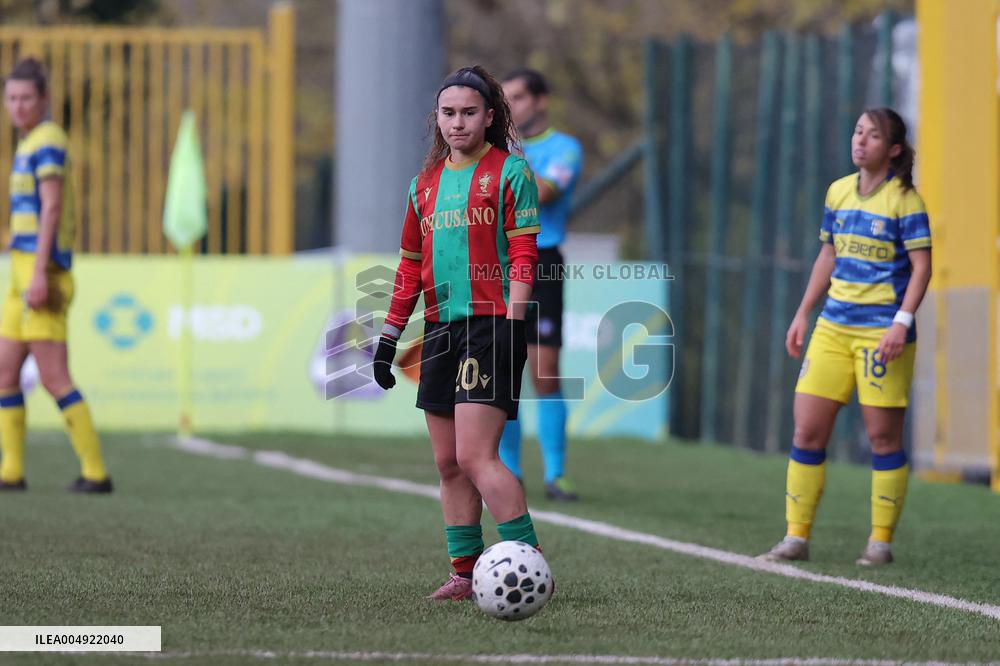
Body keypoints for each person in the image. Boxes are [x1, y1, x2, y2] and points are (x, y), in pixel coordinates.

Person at [373, 65, 543, 600]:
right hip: (441, 330)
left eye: (469, 112)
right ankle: (465, 574)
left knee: (476, 456)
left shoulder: (510, 172)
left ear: (490, 117)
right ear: (437, 118)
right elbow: (409, 268)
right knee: (448, 464)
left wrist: (514, 323)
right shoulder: (423, 185)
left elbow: (524, 252)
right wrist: (389, 338)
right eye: (448, 113)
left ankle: (531, 566)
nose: (457, 123)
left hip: (492, 325)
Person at [759, 108, 931, 566]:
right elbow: (828, 255)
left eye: (872, 135)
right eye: (858, 132)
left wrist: (901, 322)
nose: (860, 141)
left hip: (882, 334)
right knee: (807, 431)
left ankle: (880, 542)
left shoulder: (905, 201)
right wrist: (803, 313)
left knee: (883, 438)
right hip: (832, 328)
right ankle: (795, 537)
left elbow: (922, 267)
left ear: (893, 149)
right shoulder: (838, 191)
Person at [0, 58, 112, 493]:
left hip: (41, 272)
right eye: (11, 98)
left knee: (53, 377)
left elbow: (52, 207)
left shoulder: (47, 140)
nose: (18, 106)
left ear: (44, 99)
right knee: (5, 372)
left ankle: (96, 472)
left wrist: (40, 273)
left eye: (26, 97)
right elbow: (33, 214)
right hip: (21, 272)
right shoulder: (28, 143)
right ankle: (11, 471)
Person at [498, 69, 583, 501]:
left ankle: (556, 475)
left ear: (540, 101)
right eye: (504, 99)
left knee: (544, 373)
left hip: (543, 261)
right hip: (497, 264)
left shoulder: (564, 148)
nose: (510, 106)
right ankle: (510, 474)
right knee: (501, 374)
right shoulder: (490, 151)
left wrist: (508, 153)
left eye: (517, 97)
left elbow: (541, 193)